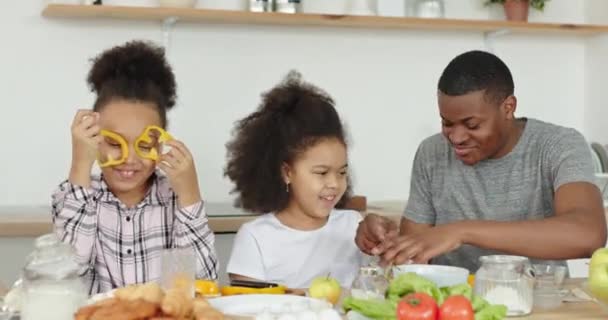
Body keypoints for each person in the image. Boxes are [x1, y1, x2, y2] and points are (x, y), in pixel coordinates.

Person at [356, 50, 607, 272]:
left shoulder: (557, 145)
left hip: (535, 304)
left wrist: (461, 231)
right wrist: (386, 240)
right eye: (447, 123)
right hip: (453, 304)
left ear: (508, 108)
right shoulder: (431, 152)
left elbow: (588, 235)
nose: (456, 137)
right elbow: (415, 254)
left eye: (472, 124)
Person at [51, 40, 218, 293]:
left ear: (160, 144)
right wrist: (80, 165)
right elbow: (65, 279)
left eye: (144, 144)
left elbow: (194, 288)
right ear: (94, 139)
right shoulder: (74, 195)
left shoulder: (175, 198)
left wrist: (190, 195)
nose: (129, 158)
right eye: (114, 143)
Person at [224, 71, 364, 289]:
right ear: (287, 172)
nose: (335, 183)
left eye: (342, 172)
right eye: (321, 172)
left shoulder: (353, 227)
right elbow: (246, 308)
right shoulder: (256, 238)